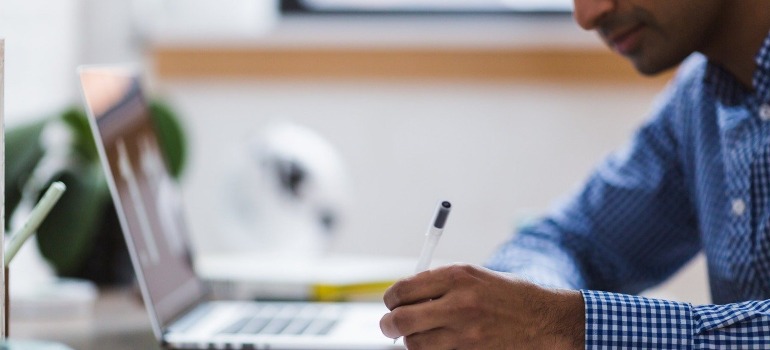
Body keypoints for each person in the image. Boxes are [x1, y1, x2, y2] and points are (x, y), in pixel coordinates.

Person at [379, 0, 770, 348]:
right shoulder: (699, 99)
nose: (587, 15)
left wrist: (565, 324)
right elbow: (570, 241)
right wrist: (522, 305)